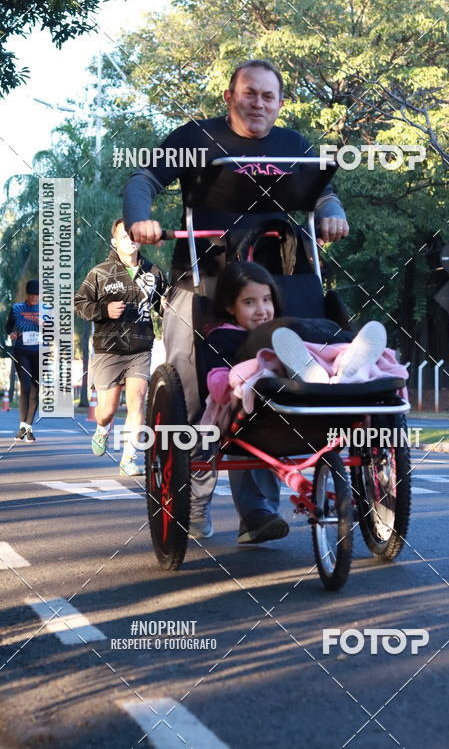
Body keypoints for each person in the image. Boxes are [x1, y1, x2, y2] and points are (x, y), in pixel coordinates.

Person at [123, 59, 350, 538]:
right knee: (189, 381)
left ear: (280, 103)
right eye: (250, 93)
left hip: (272, 279)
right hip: (200, 277)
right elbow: (143, 180)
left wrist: (331, 213)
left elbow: (323, 193)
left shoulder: (294, 146)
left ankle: (257, 513)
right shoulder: (195, 138)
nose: (259, 103)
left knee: (268, 374)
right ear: (230, 96)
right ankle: (193, 504)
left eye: (268, 96)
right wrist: (140, 219)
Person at [196, 262, 399, 542]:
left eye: (267, 300)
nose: (261, 309)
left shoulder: (284, 325)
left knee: (308, 344)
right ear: (231, 307)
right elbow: (217, 381)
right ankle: (312, 368)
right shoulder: (223, 335)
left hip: (309, 395)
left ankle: (347, 363)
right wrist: (232, 382)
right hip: (260, 406)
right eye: (249, 302)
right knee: (268, 364)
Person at [74, 219, 168, 476]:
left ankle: (129, 458)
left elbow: (162, 305)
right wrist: (103, 310)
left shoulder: (154, 272)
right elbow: (80, 303)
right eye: (124, 236)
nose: (130, 239)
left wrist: (170, 306)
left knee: (137, 402)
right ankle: (103, 428)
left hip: (139, 347)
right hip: (108, 348)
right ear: (114, 241)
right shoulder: (100, 272)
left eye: (134, 235)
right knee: (108, 410)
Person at [6, 280, 40, 441]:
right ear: (27, 294)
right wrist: (11, 333)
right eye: (32, 294)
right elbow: (8, 327)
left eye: (37, 295)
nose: (34, 298)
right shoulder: (17, 308)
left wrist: (47, 325)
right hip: (22, 352)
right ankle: (22, 425)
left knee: (36, 389)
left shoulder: (46, 310)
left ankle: (28, 428)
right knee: (26, 387)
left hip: (40, 353)